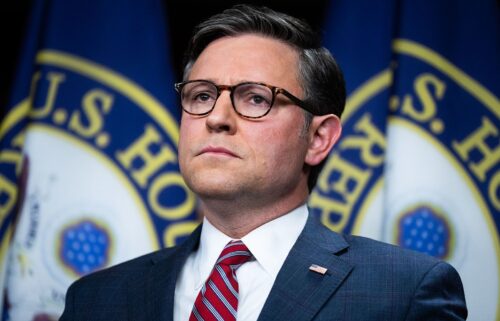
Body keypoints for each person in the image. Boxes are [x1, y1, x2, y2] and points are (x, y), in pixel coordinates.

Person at [59, 4, 467, 321]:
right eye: (201, 96)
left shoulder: (403, 291)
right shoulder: (96, 299)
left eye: (255, 98)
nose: (216, 118)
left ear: (319, 138)